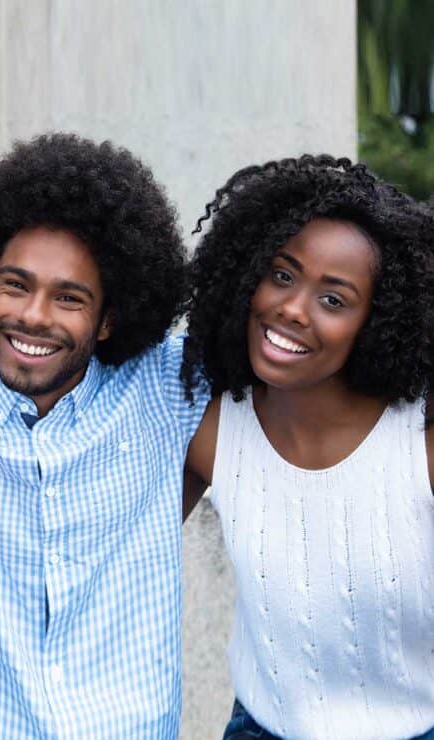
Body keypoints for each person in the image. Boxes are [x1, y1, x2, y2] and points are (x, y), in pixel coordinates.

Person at [0, 133, 209, 736]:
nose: (33, 315)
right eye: (16, 285)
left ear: (108, 320)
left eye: (68, 298)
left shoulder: (163, 386)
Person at [181, 156, 434, 740]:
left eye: (334, 300)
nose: (292, 309)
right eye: (281, 274)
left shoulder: (420, 444)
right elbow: (111, 559)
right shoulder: (213, 430)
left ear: (378, 321)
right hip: (261, 729)